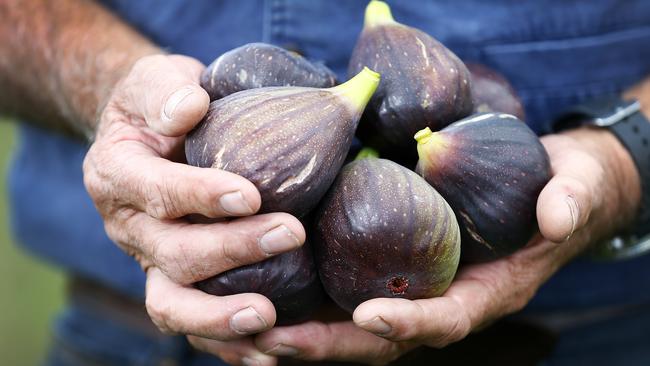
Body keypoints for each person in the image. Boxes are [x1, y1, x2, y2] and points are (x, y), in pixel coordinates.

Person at [2, 0, 650, 365]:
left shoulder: (435, 118)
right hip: (139, 335)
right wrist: (105, 84)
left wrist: (625, 152)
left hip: (589, 331)